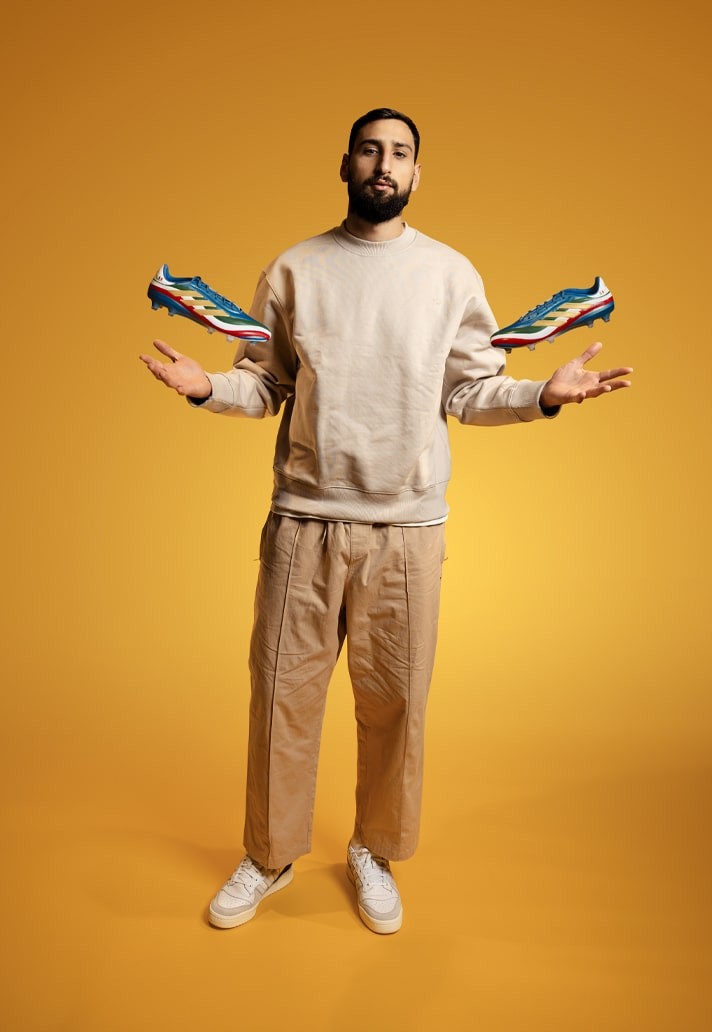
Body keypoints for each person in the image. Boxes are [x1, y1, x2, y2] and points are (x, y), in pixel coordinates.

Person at [140, 107, 632, 935]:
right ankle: (269, 854)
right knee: (281, 696)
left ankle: (373, 850)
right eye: (370, 150)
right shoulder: (295, 269)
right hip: (304, 523)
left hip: (407, 531)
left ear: (416, 174)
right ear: (345, 165)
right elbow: (264, 384)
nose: (384, 164)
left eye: (400, 153)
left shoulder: (449, 274)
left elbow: (470, 390)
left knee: (397, 701)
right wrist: (206, 388)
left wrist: (542, 395)